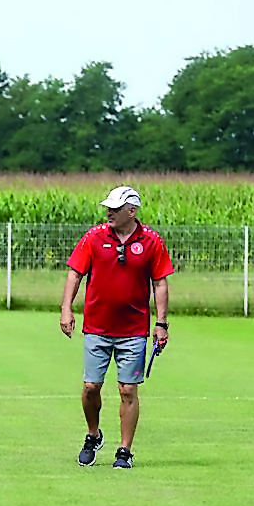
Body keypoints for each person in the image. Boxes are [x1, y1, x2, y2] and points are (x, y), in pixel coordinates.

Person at [60, 186, 173, 469]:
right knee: (90, 388)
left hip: (134, 331)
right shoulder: (94, 237)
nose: (108, 212)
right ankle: (93, 434)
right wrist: (66, 308)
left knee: (127, 391)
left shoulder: (151, 241)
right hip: (97, 327)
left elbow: (160, 283)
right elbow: (75, 273)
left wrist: (161, 324)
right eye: (108, 207)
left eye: (115, 208)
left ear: (131, 211)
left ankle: (124, 451)